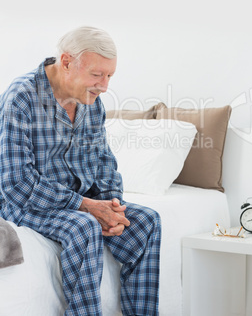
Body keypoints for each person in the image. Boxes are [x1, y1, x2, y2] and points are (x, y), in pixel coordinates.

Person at [0, 26, 161, 315]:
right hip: (29, 204)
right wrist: (86, 206)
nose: (104, 85)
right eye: (97, 75)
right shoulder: (21, 97)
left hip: (79, 201)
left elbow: (103, 162)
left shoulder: (92, 103)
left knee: (148, 221)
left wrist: (112, 204)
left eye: (110, 75)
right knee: (83, 227)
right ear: (66, 63)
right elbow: (16, 184)